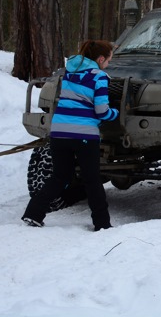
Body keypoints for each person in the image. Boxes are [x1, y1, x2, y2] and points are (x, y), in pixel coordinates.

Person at [22, 40, 119, 231]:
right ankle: (102, 224)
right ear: (100, 59)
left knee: (59, 176)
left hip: (59, 131)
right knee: (92, 179)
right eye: (108, 60)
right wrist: (114, 114)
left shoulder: (69, 73)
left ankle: (33, 214)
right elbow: (101, 111)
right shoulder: (99, 76)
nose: (108, 63)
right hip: (84, 134)